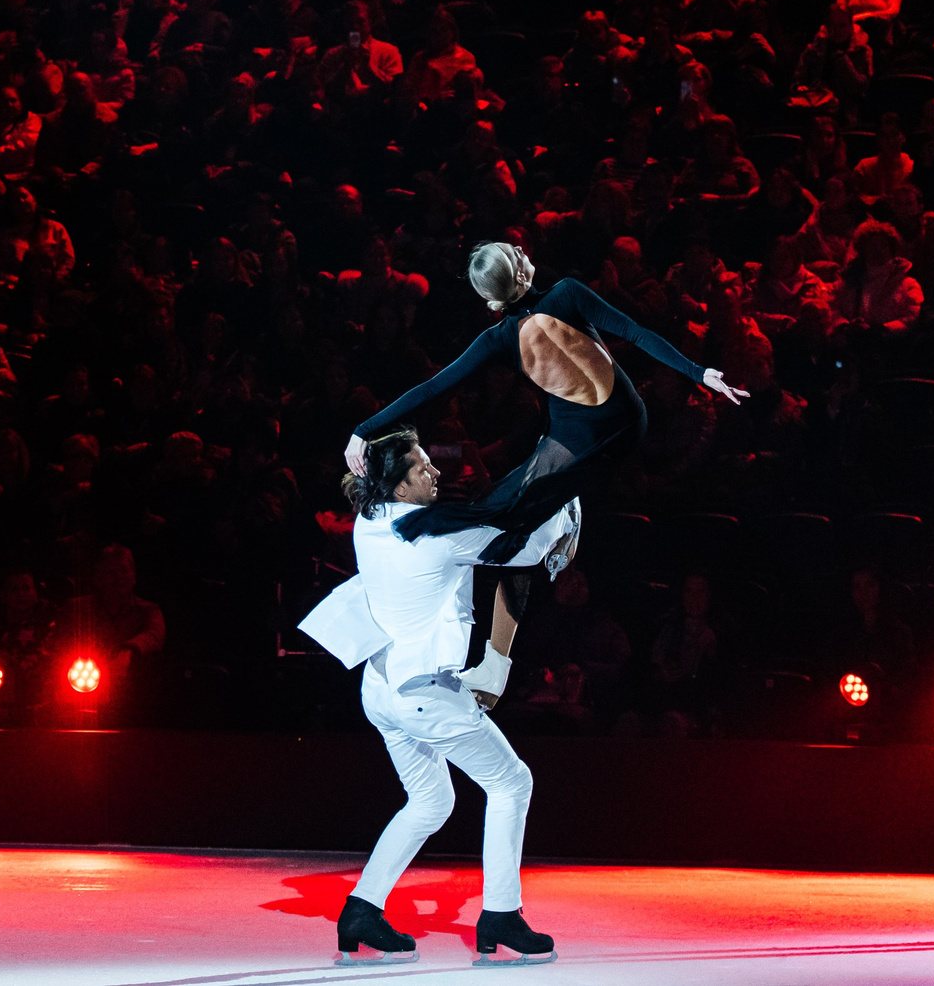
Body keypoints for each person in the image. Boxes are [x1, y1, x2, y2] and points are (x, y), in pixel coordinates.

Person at [299, 427, 570, 965]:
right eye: (422, 468)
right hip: (423, 696)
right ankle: (500, 914)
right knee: (512, 781)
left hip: (380, 689)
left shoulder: (371, 521)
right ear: (400, 490)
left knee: (431, 801)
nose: (435, 472)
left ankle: (361, 910)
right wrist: (564, 509)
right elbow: (523, 550)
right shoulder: (435, 538)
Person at [343, 241, 746, 567]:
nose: (522, 247)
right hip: (626, 421)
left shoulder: (497, 337)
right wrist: (699, 372)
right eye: (517, 252)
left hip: (579, 437)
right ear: (519, 273)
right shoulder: (567, 292)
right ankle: (547, 515)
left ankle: (534, 518)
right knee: (511, 501)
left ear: (492, 301)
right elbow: (636, 332)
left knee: (503, 505)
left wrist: (364, 429)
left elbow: (432, 387)